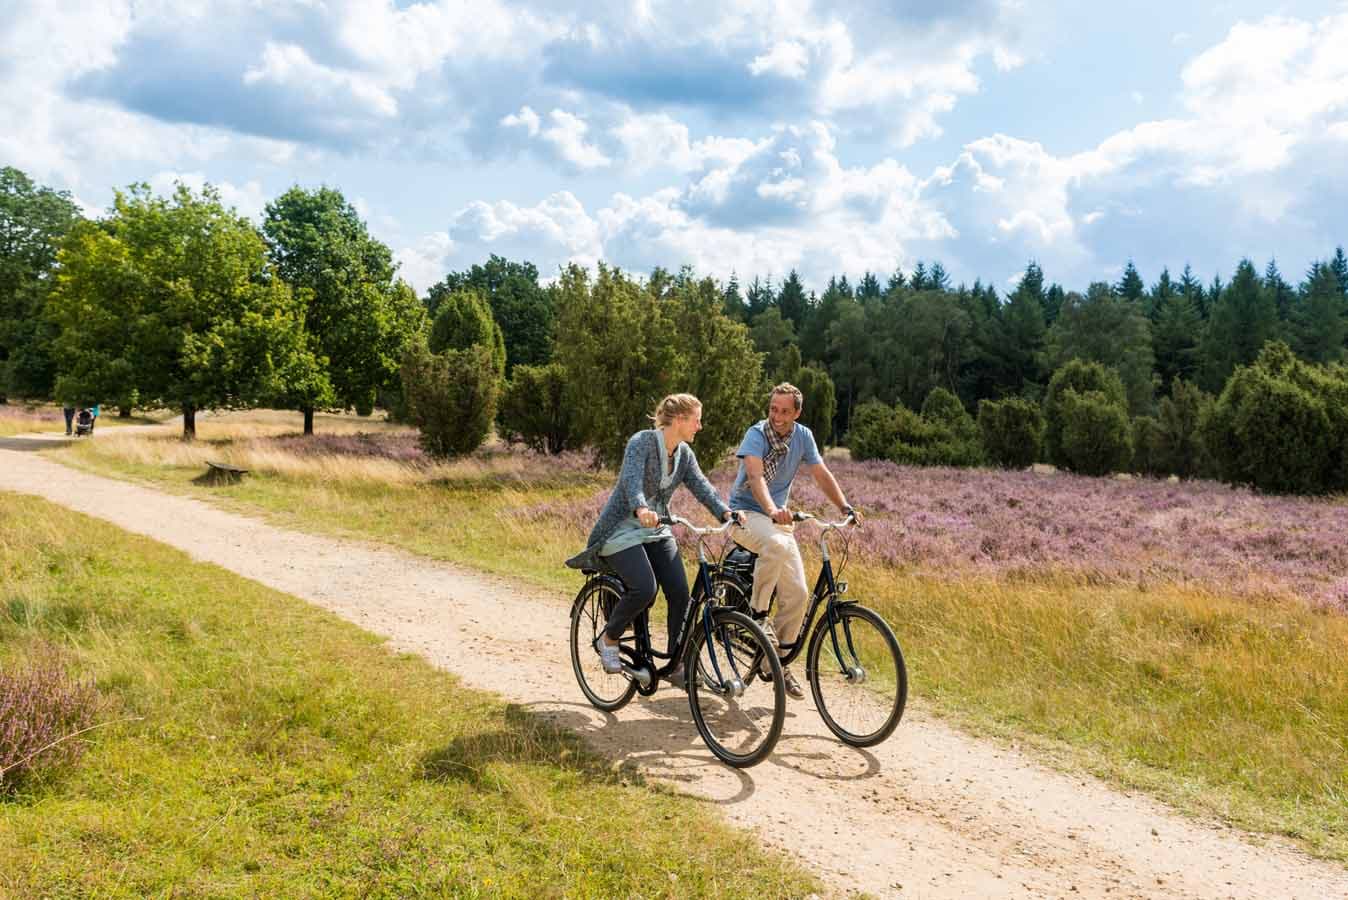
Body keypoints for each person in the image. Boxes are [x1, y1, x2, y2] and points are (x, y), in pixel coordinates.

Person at [566, 393, 737, 684]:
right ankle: (609, 638)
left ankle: (676, 662)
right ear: (680, 420)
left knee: (680, 592)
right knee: (645, 587)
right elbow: (631, 481)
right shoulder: (641, 442)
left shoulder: (684, 454)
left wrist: (726, 513)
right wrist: (641, 507)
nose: (700, 426)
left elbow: (702, 486)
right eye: (697, 420)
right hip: (621, 528)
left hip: (656, 529)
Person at [727, 382, 859, 699]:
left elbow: (821, 472)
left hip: (777, 522)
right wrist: (772, 509)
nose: (777, 416)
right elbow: (756, 477)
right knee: (775, 543)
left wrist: (845, 507)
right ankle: (758, 616)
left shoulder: (803, 436)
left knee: (799, 594)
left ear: (797, 413)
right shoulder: (756, 434)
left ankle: (776, 662)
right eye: (773, 409)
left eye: (785, 411)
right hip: (745, 514)